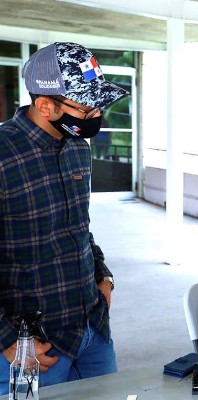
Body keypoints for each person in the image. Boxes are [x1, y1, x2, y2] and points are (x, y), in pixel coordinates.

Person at [0, 42, 128, 394]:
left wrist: (104, 277)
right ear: (45, 104)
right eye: (86, 110)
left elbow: (79, 228)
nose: (94, 117)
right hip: (32, 344)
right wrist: (7, 339)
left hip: (92, 329)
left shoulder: (77, 148)